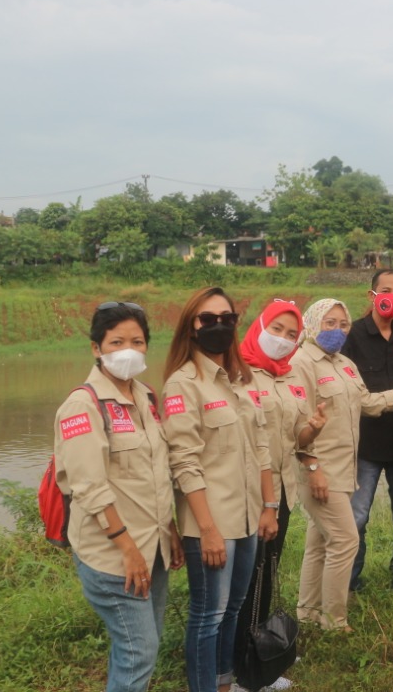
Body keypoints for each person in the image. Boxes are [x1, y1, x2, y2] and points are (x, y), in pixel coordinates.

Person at [54, 301, 183, 692]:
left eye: (137, 341)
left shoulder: (145, 396)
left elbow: (154, 474)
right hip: (115, 556)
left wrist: (171, 528)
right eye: (116, 341)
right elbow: (89, 487)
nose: (128, 349)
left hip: (153, 547)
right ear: (96, 348)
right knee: (139, 649)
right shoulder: (82, 405)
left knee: (141, 644)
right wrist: (127, 548)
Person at [162, 286, 279, 692]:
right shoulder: (183, 385)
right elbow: (185, 463)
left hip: (247, 516)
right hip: (210, 523)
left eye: (226, 319)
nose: (218, 326)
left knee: (232, 609)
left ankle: (225, 683)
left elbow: (261, 446)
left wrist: (269, 506)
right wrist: (208, 528)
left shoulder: (240, 379)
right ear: (191, 328)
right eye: (207, 320)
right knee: (207, 615)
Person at [292, 299, 393, 631]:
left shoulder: (344, 364)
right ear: (311, 324)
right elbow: (296, 426)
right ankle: (335, 621)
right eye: (329, 323)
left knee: (320, 543)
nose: (337, 330)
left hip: (343, 469)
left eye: (343, 324)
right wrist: (313, 468)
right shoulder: (301, 363)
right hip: (320, 470)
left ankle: (308, 614)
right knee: (345, 541)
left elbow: (367, 403)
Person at [233, 299, 328, 692]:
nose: (283, 340)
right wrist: (264, 503)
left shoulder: (288, 378)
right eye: (277, 330)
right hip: (249, 492)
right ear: (259, 327)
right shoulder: (237, 375)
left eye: (292, 335)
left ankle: (260, 656)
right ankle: (237, 671)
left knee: (266, 574)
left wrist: (314, 430)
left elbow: (295, 439)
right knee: (244, 583)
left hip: (283, 491)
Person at [342, 269, 393, 591]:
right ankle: (349, 582)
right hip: (366, 445)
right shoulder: (352, 336)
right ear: (372, 295)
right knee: (357, 519)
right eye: (386, 290)